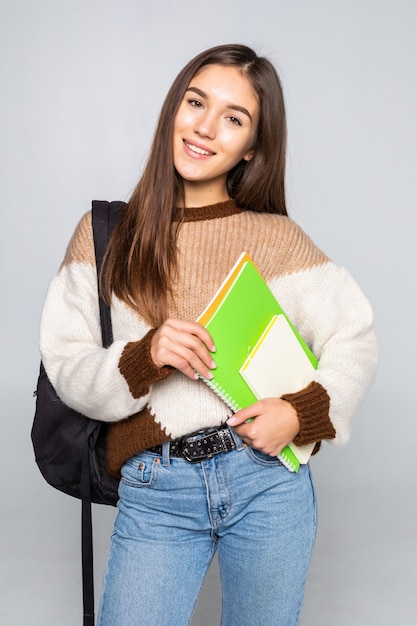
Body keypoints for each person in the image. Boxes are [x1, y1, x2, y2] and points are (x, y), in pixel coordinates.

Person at [40, 44, 378, 626]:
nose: (204, 126)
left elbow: (355, 338)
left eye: (234, 118)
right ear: (174, 108)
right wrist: (143, 358)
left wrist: (301, 413)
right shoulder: (104, 236)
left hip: (266, 481)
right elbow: (68, 368)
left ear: (253, 147)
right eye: (195, 102)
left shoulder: (276, 238)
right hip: (155, 483)